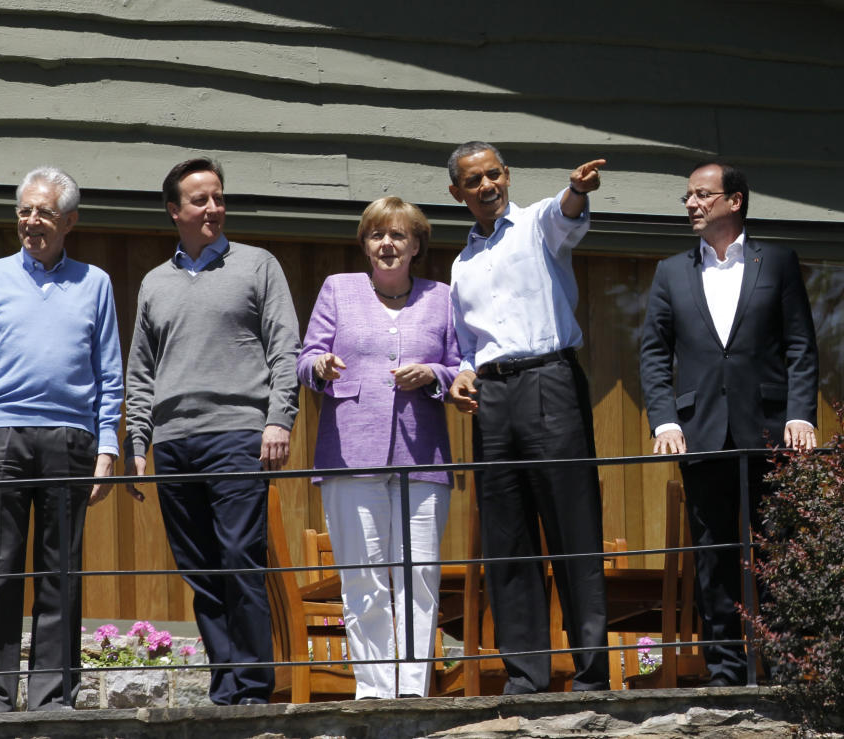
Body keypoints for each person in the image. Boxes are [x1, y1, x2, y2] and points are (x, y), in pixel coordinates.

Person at [124, 157, 300, 706]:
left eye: (219, 198)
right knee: (200, 568)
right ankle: (225, 685)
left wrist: (278, 418)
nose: (213, 208)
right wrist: (136, 441)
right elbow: (141, 371)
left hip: (237, 435)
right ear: (174, 210)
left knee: (239, 556)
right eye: (200, 200)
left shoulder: (257, 266)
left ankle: (252, 686)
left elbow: (284, 350)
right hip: (174, 442)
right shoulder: (155, 283)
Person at [0, 167, 124, 712]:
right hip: (1, 439)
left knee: (59, 572)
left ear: (69, 220)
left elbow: (110, 374)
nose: (31, 221)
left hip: (72, 440)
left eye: (44, 212)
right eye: (24, 210)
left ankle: (52, 697)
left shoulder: (95, 283)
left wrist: (108, 447)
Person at [640, 161, 818, 686]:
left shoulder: (778, 262)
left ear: (734, 201)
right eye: (688, 197)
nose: (691, 204)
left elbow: (801, 348)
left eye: (702, 195)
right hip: (701, 434)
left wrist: (801, 413)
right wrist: (664, 420)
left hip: (769, 430)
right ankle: (724, 671)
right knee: (713, 559)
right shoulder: (671, 272)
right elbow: (653, 354)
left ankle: (787, 669)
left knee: (778, 553)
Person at [446, 141, 610, 693]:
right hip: (493, 398)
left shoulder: (539, 222)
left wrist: (578, 189)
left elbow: (568, 212)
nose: (487, 186)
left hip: (550, 381)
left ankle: (590, 674)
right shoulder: (461, 263)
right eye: (474, 181)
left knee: (572, 527)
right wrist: (464, 374)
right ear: (457, 193)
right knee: (507, 538)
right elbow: (468, 345)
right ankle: (525, 677)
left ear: (507, 177)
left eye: (494, 175)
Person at [297, 197, 461, 699]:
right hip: (351, 453)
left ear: (416, 245)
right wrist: (321, 367)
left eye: (398, 236)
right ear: (365, 244)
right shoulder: (338, 290)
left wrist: (432, 374)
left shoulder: (442, 297)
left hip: (422, 456)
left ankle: (412, 689)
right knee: (363, 577)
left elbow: (461, 367)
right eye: (376, 235)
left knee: (419, 576)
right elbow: (305, 360)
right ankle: (373, 690)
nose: (387, 244)